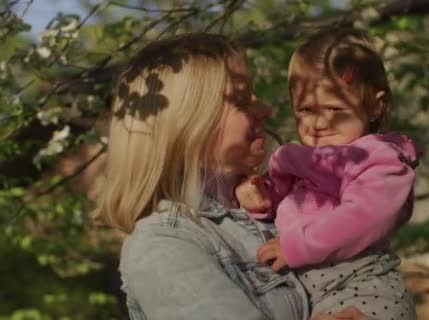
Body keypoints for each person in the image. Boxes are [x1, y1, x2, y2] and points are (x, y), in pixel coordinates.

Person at [95, 32, 369, 320]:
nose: (266, 109)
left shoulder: (280, 206)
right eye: (240, 100)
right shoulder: (163, 243)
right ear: (188, 123)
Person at [236, 29, 419, 319]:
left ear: (374, 105)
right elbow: (290, 202)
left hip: (365, 288)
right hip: (316, 294)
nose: (319, 122)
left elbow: (364, 218)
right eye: (306, 109)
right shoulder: (300, 159)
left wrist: (297, 246)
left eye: (334, 108)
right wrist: (262, 197)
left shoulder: (380, 160)